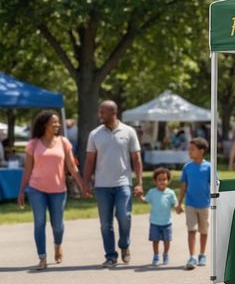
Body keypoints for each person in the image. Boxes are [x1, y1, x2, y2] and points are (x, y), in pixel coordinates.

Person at [17, 110, 88, 270]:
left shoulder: (64, 142)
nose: (57, 125)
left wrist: (82, 185)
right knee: (39, 222)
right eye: (53, 122)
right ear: (44, 124)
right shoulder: (33, 144)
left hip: (58, 189)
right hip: (36, 189)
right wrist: (21, 190)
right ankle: (42, 257)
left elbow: (71, 166)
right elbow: (27, 169)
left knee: (57, 224)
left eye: (58, 122)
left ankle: (58, 245)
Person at [83, 100, 143, 267]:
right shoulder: (95, 134)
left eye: (103, 112)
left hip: (123, 182)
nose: (100, 115)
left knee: (125, 216)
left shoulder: (129, 131)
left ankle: (124, 245)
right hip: (102, 185)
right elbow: (89, 161)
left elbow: (136, 159)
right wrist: (85, 183)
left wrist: (139, 183)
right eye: (99, 111)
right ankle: (110, 255)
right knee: (105, 223)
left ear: (113, 113)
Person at [176, 138, 212, 270]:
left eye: (192, 149)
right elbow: (183, 186)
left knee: (204, 231)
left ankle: (202, 254)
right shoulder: (187, 167)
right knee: (191, 230)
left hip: (205, 204)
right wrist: (179, 204)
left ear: (201, 151)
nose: (189, 151)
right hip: (190, 204)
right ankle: (192, 256)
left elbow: (214, 185)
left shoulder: (209, 167)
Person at [141, 167, 177, 267]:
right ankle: (156, 255)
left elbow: (175, 204)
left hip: (167, 222)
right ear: (155, 181)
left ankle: (165, 254)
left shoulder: (170, 193)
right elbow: (145, 200)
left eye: (164, 179)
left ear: (168, 181)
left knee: (167, 240)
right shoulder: (152, 192)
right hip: (155, 222)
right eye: (159, 180)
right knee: (155, 240)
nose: (162, 182)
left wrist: (178, 208)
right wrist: (140, 196)